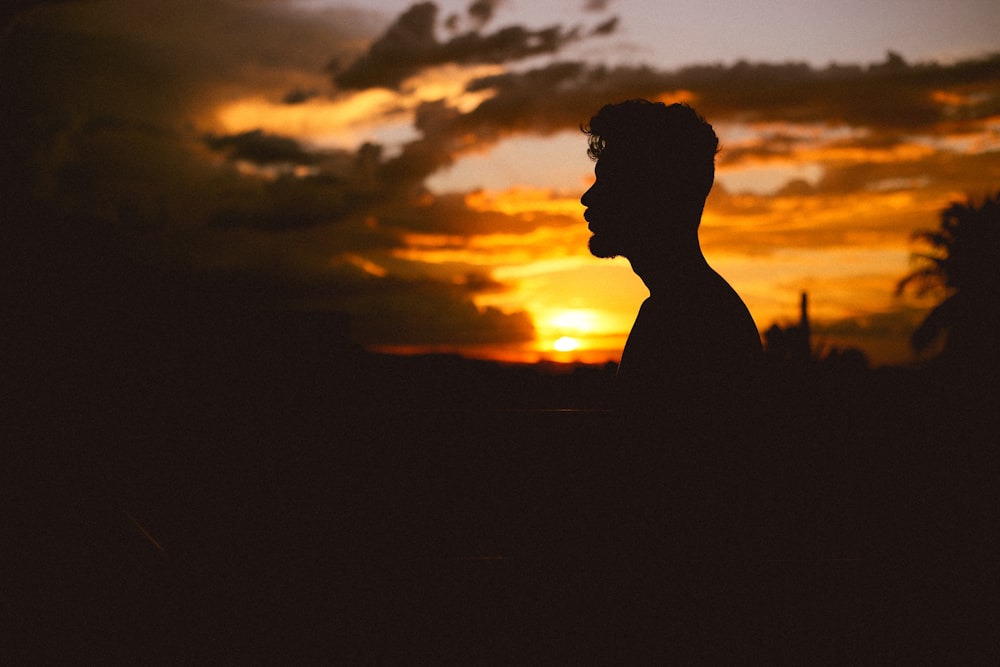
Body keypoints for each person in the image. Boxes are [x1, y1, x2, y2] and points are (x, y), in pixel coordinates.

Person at [581, 99, 762, 444]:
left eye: (608, 181)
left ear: (651, 194)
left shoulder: (689, 319)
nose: (587, 198)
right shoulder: (691, 306)